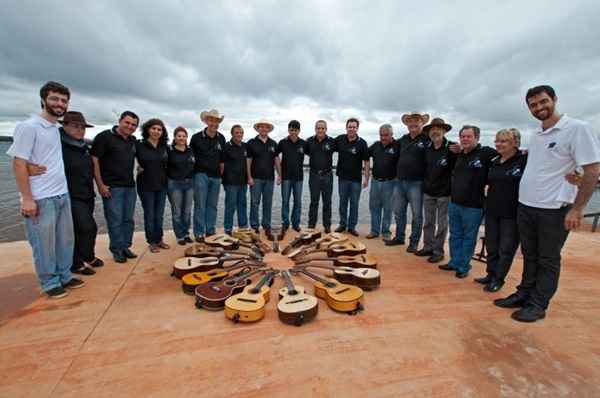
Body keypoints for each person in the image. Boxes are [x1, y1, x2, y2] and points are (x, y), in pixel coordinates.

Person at [495, 85, 600, 322]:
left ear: (554, 99)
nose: (539, 107)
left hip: (554, 209)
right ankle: (523, 294)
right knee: (530, 254)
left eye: (543, 102)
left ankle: (538, 303)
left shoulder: (577, 129)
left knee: (548, 259)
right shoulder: (538, 134)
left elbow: (593, 170)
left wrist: (578, 208)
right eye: (533, 105)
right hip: (527, 205)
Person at [7, 81, 84, 298]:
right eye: (54, 99)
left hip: (61, 194)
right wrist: (27, 198)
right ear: (43, 99)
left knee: (65, 240)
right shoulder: (29, 126)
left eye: (63, 100)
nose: (59, 104)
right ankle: (49, 282)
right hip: (41, 197)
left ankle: (64, 275)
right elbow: (18, 163)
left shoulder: (54, 129)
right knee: (44, 244)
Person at [439, 126, 497, 278]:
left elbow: (505, 157)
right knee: (455, 234)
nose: (465, 139)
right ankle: (454, 262)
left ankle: (463, 266)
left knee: (469, 237)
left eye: (468, 136)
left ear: (477, 138)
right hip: (455, 203)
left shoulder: (486, 153)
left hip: (474, 206)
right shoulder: (459, 155)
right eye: (462, 136)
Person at [474, 129, 526, 292]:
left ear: (515, 143)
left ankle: (498, 279)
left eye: (504, 141)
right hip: (492, 210)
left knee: (506, 249)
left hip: (512, 214)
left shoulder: (524, 160)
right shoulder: (495, 161)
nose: (499, 144)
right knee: (492, 245)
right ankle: (490, 274)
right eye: (497, 141)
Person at [91, 110, 139, 263]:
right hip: (112, 187)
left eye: (133, 125)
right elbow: (94, 160)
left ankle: (125, 246)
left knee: (128, 220)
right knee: (115, 220)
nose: (130, 126)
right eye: (127, 123)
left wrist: (141, 168)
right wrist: (100, 185)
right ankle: (117, 250)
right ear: (120, 121)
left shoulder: (132, 140)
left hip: (130, 186)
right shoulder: (104, 137)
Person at [59, 112, 104, 275]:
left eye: (82, 127)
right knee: (87, 227)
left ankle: (88, 257)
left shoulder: (82, 146)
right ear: (64, 125)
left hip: (86, 193)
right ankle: (77, 263)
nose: (80, 130)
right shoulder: (58, 144)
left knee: (82, 229)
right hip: (70, 194)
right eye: (75, 126)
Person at [386, 112, 430, 252]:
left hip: (417, 183)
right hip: (400, 182)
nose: (413, 123)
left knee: (417, 214)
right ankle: (399, 237)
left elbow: (441, 145)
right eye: (410, 121)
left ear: (422, 123)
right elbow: (389, 148)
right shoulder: (402, 140)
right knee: (398, 212)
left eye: (417, 121)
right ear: (407, 124)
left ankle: (414, 242)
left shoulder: (427, 139)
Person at [418, 118, 456, 263]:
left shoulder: (452, 148)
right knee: (428, 222)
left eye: (438, 129)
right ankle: (428, 247)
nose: (435, 132)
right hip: (428, 191)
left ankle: (438, 251)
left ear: (444, 131)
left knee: (442, 225)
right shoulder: (427, 148)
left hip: (444, 194)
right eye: (432, 129)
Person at [190, 109, 226, 242]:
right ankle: (199, 232)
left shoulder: (221, 138)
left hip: (216, 177)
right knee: (200, 205)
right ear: (206, 121)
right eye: (211, 120)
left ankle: (210, 230)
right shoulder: (196, 138)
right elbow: (190, 158)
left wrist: (221, 177)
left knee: (212, 205)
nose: (213, 123)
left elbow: (222, 161)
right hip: (200, 175)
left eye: (216, 121)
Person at [136, 119, 169, 253]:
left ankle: (159, 239)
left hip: (161, 185)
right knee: (149, 214)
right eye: (153, 128)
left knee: (159, 215)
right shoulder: (139, 145)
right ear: (147, 129)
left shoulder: (164, 147)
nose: (156, 131)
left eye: (159, 129)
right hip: (146, 185)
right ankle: (152, 242)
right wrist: (136, 168)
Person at [334, 118, 369, 236]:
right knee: (342, 202)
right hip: (342, 178)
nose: (351, 129)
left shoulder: (362, 143)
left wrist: (367, 178)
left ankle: (351, 227)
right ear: (346, 127)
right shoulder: (340, 139)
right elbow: (327, 146)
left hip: (356, 180)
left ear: (357, 128)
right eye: (350, 126)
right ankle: (342, 224)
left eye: (354, 127)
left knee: (354, 204)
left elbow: (366, 162)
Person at [246, 119, 281, 239]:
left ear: (269, 129)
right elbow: (248, 161)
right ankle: (254, 226)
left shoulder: (273, 143)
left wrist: (280, 175)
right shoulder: (251, 143)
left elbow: (276, 161)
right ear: (258, 129)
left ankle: (266, 226)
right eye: (261, 127)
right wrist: (249, 177)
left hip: (269, 179)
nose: (264, 129)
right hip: (255, 179)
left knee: (268, 203)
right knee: (254, 203)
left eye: (266, 127)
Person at [367, 124, 398, 240]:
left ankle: (385, 231)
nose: (383, 138)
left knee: (388, 208)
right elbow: (364, 154)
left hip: (390, 182)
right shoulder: (375, 145)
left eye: (386, 135)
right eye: (381, 135)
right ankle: (374, 231)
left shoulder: (397, 146)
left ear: (391, 135)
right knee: (374, 207)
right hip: (375, 181)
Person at [305, 120, 336, 233]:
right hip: (314, 175)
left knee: (327, 202)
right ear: (315, 129)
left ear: (326, 129)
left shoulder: (332, 142)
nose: (320, 130)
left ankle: (327, 225)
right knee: (314, 201)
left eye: (323, 128)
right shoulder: (309, 141)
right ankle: (311, 225)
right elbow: (305, 152)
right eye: (318, 128)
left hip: (327, 175)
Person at [276, 120, 306, 236]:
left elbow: (313, 154)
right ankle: (285, 222)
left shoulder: (304, 144)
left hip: (299, 177)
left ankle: (296, 223)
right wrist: (279, 174)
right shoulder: (282, 142)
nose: (293, 132)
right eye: (291, 130)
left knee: (297, 202)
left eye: (295, 130)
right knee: (285, 201)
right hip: (286, 177)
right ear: (288, 130)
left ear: (299, 131)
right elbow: (275, 156)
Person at [167, 126, 194, 245]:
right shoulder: (169, 150)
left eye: (184, 136)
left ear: (186, 137)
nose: (182, 138)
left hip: (189, 183)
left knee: (187, 211)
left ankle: (186, 233)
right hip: (174, 184)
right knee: (177, 211)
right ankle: (179, 236)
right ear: (175, 137)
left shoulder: (190, 150)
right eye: (179, 136)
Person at [221, 124, 249, 235]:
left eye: (241, 133)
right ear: (232, 134)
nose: (239, 134)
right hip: (230, 182)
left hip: (243, 181)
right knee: (230, 205)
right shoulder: (226, 146)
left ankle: (243, 227)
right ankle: (228, 228)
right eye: (237, 132)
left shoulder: (245, 146)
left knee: (242, 205)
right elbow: (221, 164)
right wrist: (221, 180)